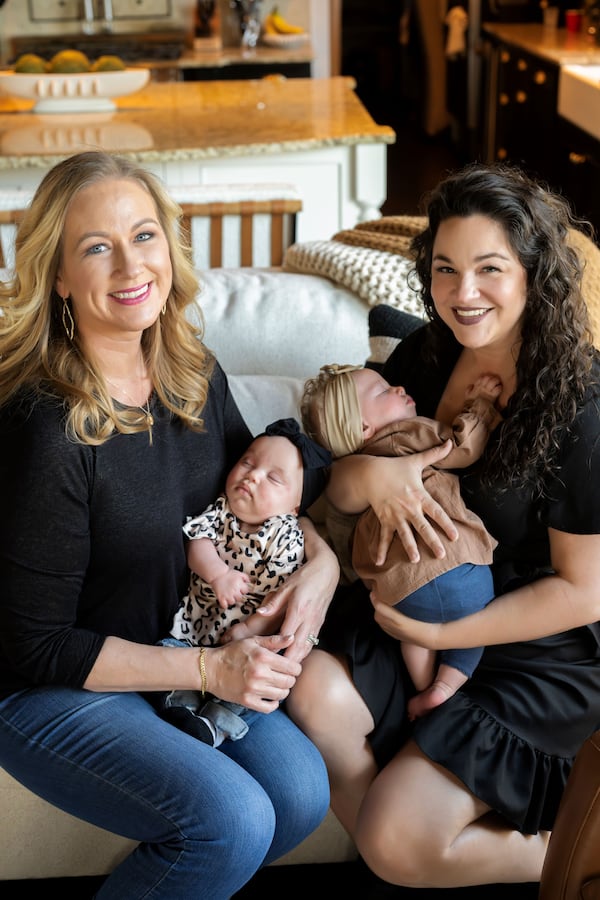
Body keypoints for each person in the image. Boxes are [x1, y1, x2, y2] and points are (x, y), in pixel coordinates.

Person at [0, 150, 339, 900]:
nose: (130, 264)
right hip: (47, 683)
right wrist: (209, 670)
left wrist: (323, 567)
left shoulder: (191, 373)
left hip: (174, 648)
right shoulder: (47, 426)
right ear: (57, 276)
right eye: (97, 246)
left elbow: (261, 496)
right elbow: (37, 644)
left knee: (302, 794)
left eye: (144, 235)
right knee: (233, 821)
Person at [286, 162, 600, 889]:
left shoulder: (582, 403)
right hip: (423, 602)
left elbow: (585, 592)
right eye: (444, 269)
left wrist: (438, 638)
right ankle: (416, 861)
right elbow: (343, 474)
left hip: (539, 644)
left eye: (489, 269)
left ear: (532, 272)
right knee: (312, 693)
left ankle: (568, 857)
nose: (462, 294)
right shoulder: (422, 358)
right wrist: (382, 478)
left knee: (396, 838)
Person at [301, 363, 501, 720]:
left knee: (415, 634)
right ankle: (446, 686)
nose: (397, 388)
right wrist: (482, 405)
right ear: (364, 428)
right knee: (475, 625)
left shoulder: (349, 481)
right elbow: (461, 448)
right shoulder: (405, 434)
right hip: (458, 568)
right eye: (382, 391)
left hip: (401, 594)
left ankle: (425, 686)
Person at [158, 417, 331, 747]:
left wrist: (250, 629)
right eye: (247, 462)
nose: (252, 475)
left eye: (273, 478)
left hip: (252, 640)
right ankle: (180, 703)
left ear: (296, 506)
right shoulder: (221, 511)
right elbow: (198, 542)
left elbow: (279, 601)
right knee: (171, 650)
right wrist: (218, 574)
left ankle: (215, 724)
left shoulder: (286, 539)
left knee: (260, 683)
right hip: (198, 626)